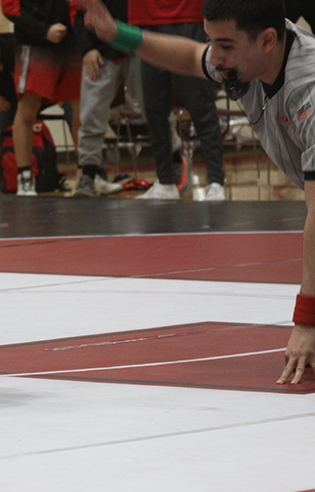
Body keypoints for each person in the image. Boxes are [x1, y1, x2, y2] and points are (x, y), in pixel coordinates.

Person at [77, 0, 315, 382]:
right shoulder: (254, 55)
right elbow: (190, 57)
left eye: (224, 45)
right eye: (212, 42)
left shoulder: (309, 91)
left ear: (268, 39)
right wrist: (118, 33)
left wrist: (306, 320)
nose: (214, 57)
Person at [128, 0, 227, 201]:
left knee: (202, 108)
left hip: (187, 16)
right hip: (149, 21)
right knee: (154, 110)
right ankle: (165, 182)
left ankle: (216, 182)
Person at [1, 0, 83, 196]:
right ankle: (25, 176)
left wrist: (78, 27)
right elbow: (10, 7)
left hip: (71, 41)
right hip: (37, 43)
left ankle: (86, 172)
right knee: (27, 111)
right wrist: (43, 30)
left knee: (81, 110)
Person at [72, 0, 140, 197]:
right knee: (91, 112)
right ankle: (88, 175)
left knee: (153, 107)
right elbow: (79, 15)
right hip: (99, 50)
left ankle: (173, 164)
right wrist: (86, 49)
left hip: (138, 45)